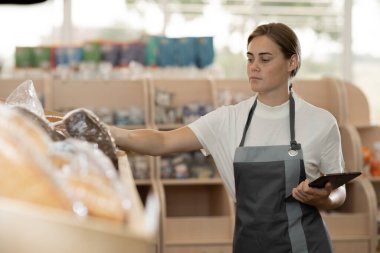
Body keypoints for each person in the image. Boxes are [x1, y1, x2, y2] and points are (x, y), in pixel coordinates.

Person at [110, 22, 346, 253]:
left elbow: (339, 193)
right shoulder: (227, 120)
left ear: (291, 62)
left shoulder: (321, 123)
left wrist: (322, 198)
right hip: (249, 244)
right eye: (250, 58)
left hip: (306, 245)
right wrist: (105, 131)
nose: (254, 66)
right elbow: (162, 142)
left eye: (265, 59)